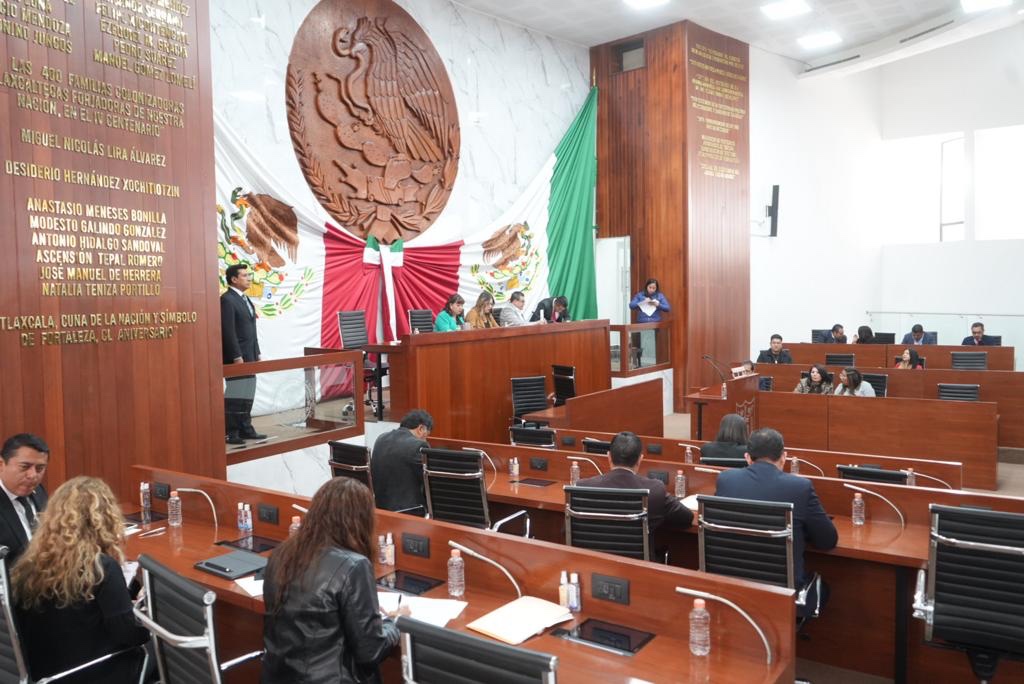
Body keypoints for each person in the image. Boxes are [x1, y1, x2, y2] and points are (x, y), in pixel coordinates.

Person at [262, 478, 406, 683]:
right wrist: (396, 622)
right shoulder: (354, 566)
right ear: (361, 521)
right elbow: (370, 652)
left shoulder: (282, 554)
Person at [13, 476, 149, 683]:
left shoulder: (29, 564)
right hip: (97, 672)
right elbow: (129, 635)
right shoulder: (101, 567)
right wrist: (146, 612)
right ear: (104, 519)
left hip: (46, 675)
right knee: (165, 651)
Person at [714, 428, 837, 617]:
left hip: (732, 588)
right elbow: (827, 540)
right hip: (783, 596)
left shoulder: (726, 479)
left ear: (747, 458)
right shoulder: (800, 487)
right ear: (784, 457)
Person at [576, 431, 692, 532]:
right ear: (640, 459)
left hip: (591, 551)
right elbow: (687, 518)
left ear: (609, 456)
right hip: (636, 552)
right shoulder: (655, 490)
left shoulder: (582, 487)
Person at [222, 263, 265, 445]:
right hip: (237, 358)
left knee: (248, 394)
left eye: (249, 275)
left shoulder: (245, 299)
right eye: (245, 276)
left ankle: (245, 428)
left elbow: (251, 330)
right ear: (234, 279)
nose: (249, 278)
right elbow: (228, 331)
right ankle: (230, 432)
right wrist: (236, 356)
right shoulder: (227, 299)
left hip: (250, 355)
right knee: (235, 395)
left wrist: (257, 352)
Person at [0, 433, 50, 565]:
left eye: (40, 468)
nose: (33, 475)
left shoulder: (39, 491)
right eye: (25, 467)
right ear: (1, 464)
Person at [369, 410, 432, 512]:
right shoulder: (418, 446)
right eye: (426, 436)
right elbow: (429, 481)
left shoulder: (381, 438)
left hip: (379, 507)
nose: (425, 440)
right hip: (408, 511)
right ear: (421, 428)